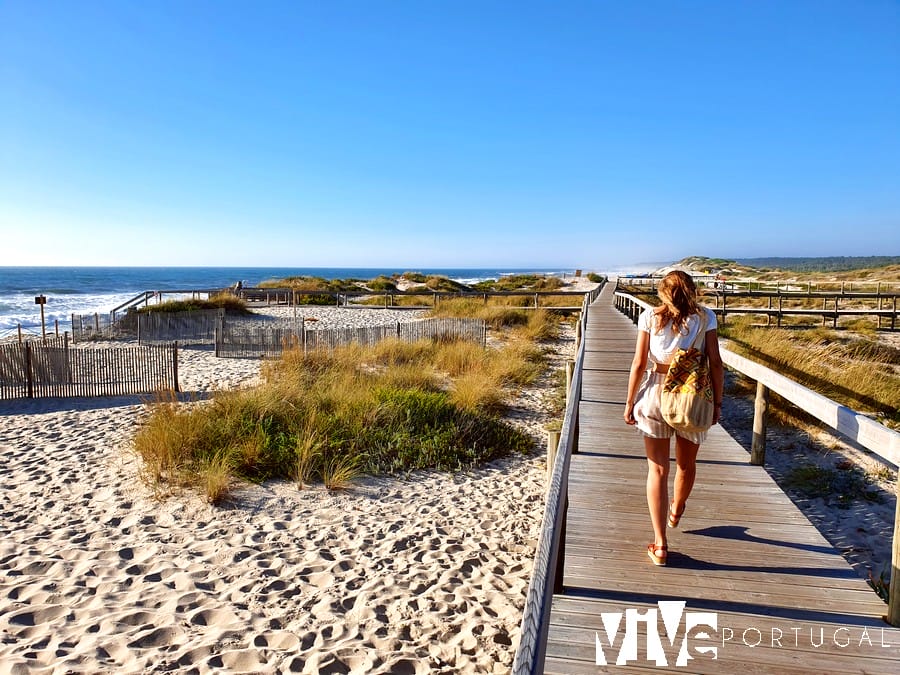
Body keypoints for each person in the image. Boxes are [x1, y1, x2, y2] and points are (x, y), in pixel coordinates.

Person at [623, 270, 724, 566]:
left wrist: (629, 402)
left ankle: (661, 544)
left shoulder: (649, 317)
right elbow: (716, 363)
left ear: (662, 293)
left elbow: (640, 363)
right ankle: (677, 509)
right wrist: (717, 403)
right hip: (691, 397)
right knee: (686, 465)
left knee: (657, 471)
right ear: (692, 290)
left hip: (655, 393)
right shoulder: (706, 318)